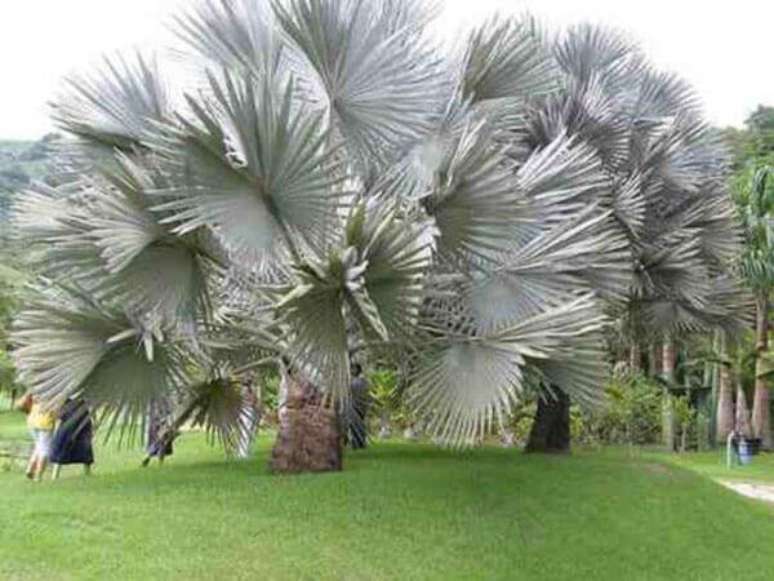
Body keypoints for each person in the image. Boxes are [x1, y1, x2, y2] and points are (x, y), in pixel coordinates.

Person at [50, 398, 94, 479]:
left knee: (83, 448)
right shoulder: (69, 400)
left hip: (78, 420)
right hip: (75, 421)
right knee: (63, 447)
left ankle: (55, 475)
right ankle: (55, 475)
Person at [24, 394, 56, 481]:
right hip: (44, 424)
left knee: (39, 447)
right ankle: (38, 475)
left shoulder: (38, 392)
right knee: (44, 450)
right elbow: (55, 413)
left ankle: (30, 469)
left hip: (32, 422)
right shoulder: (52, 395)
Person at [348, 363, 371, 449]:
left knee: (356, 423)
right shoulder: (363, 381)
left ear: (358, 370)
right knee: (357, 424)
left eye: (353, 369)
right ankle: (358, 443)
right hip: (359, 405)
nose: (351, 370)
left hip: (357, 405)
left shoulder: (357, 381)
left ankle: (358, 443)